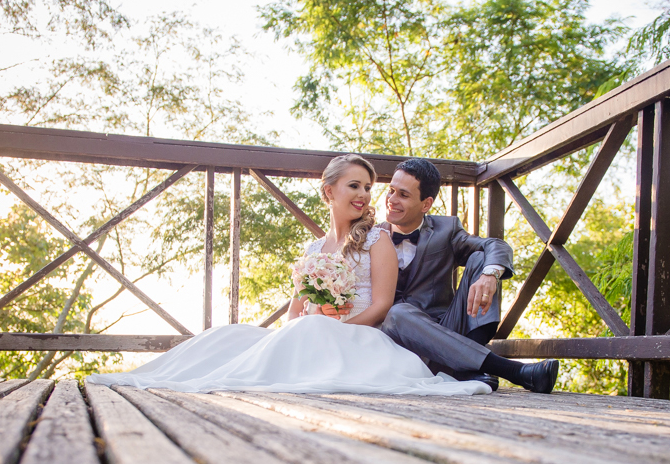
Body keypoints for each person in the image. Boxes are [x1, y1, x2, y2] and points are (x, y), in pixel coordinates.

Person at [85, 154, 490, 396]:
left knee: (307, 331)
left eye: (368, 186)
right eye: (354, 185)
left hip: (362, 335)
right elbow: (293, 315)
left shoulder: (377, 239)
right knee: (231, 334)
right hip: (313, 330)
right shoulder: (313, 249)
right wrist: (312, 319)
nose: (365, 195)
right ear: (329, 191)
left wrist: (335, 324)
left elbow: (383, 306)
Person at [379, 157, 559, 393]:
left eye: (403, 195)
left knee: (481, 258)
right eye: (391, 191)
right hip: (395, 343)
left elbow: (496, 245)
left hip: (446, 329)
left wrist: (490, 275)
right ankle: (510, 371)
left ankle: (465, 364)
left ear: (426, 204)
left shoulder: (446, 229)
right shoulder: (371, 234)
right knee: (398, 313)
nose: (392, 200)